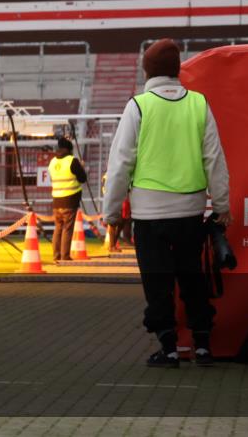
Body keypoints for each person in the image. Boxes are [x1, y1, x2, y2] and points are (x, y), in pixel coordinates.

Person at [103, 38, 230, 368]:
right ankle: (203, 344)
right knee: (193, 278)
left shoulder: (139, 106)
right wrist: (221, 206)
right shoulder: (199, 104)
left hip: (149, 214)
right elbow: (214, 159)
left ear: (148, 71)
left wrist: (112, 212)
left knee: (157, 283)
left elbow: (120, 163)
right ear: (176, 70)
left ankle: (169, 347)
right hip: (190, 212)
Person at [48, 137, 87, 262]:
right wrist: (82, 167)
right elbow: (82, 179)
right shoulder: (72, 161)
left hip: (56, 201)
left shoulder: (52, 162)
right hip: (69, 200)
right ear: (69, 149)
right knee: (67, 229)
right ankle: (65, 256)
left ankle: (56, 256)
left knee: (58, 228)